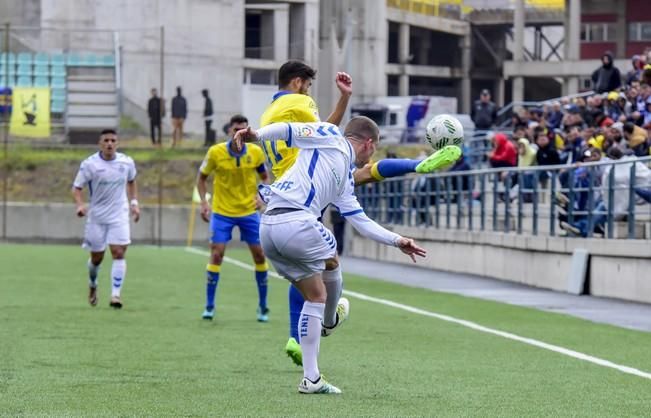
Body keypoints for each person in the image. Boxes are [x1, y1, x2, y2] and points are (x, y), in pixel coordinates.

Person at [258, 60, 460, 366]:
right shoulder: (298, 102)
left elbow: (321, 130)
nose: (310, 91)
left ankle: (304, 351)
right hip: (304, 190)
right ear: (299, 82)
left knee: (308, 272)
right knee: (326, 260)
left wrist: (344, 99)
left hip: (287, 191)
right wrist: (254, 136)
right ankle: (326, 320)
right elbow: (321, 129)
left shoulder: (273, 110)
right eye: (309, 85)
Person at [233, 117, 427, 394]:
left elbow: (360, 220)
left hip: (269, 227)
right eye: (375, 148)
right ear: (369, 144)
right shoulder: (332, 135)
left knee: (315, 296)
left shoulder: (345, 179)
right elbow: (291, 130)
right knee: (332, 257)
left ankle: (311, 378)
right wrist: (256, 135)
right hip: (296, 221)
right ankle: (331, 319)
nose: (372, 155)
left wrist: (397, 241)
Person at [196, 115, 271, 322]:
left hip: (248, 212)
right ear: (230, 130)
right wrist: (204, 202)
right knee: (217, 254)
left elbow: (265, 177)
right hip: (222, 212)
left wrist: (262, 197)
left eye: (244, 130)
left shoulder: (255, 152)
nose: (240, 133)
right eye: (236, 129)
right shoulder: (215, 152)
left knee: (260, 256)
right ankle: (209, 306)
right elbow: (201, 178)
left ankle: (263, 307)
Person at [72, 129, 140, 309]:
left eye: (113, 140)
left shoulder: (126, 163)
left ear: (117, 143)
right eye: (106, 140)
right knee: (97, 258)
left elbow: (132, 181)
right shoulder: (90, 164)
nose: (110, 143)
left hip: (119, 214)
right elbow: (77, 187)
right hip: (97, 216)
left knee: (118, 252)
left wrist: (134, 202)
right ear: (100, 144)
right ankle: (93, 284)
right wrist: (79, 205)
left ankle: (116, 295)